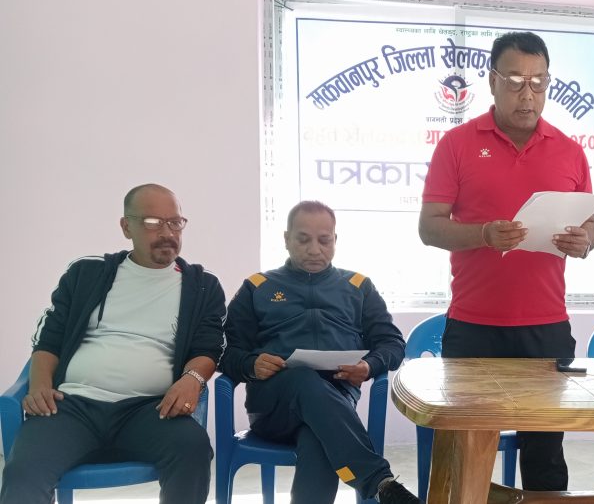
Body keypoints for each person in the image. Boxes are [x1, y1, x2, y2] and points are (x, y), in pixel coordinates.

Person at [418, 31, 594, 491]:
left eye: (539, 82)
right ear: (493, 80)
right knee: (466, 450)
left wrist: (584, 241)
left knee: (545, 455)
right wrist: (483, 234)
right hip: (474, 326)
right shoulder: (457, 144)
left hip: (546, 327)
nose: (527, 93)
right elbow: (430, 228)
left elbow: (590, 226)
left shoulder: (570, 150)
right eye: (516, 80)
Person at [0, 184, 225, 504]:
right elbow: (49, 338)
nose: (167, 233)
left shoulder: (202, 286)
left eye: (175, 222)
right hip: (72, 407)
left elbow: (208, 347)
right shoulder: (87, 273)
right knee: (24, 471)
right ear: (126, 227)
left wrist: (193, 378)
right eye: (152, 222)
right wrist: (38, 385)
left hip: (150, 410)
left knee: (193, 448)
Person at [218, 200, 419, 504]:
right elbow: (225, 352)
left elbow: (392, 343)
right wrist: (250, 363)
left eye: (324, 240)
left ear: (335, 240)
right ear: (286, 239)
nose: (314, 250)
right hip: (273, 406)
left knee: (319, 440)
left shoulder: (358, 287)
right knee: (302, 378)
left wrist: (369, 366)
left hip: (335, 406)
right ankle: (380, 482)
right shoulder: (257, 287)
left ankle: (382, 487)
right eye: (303, 240)